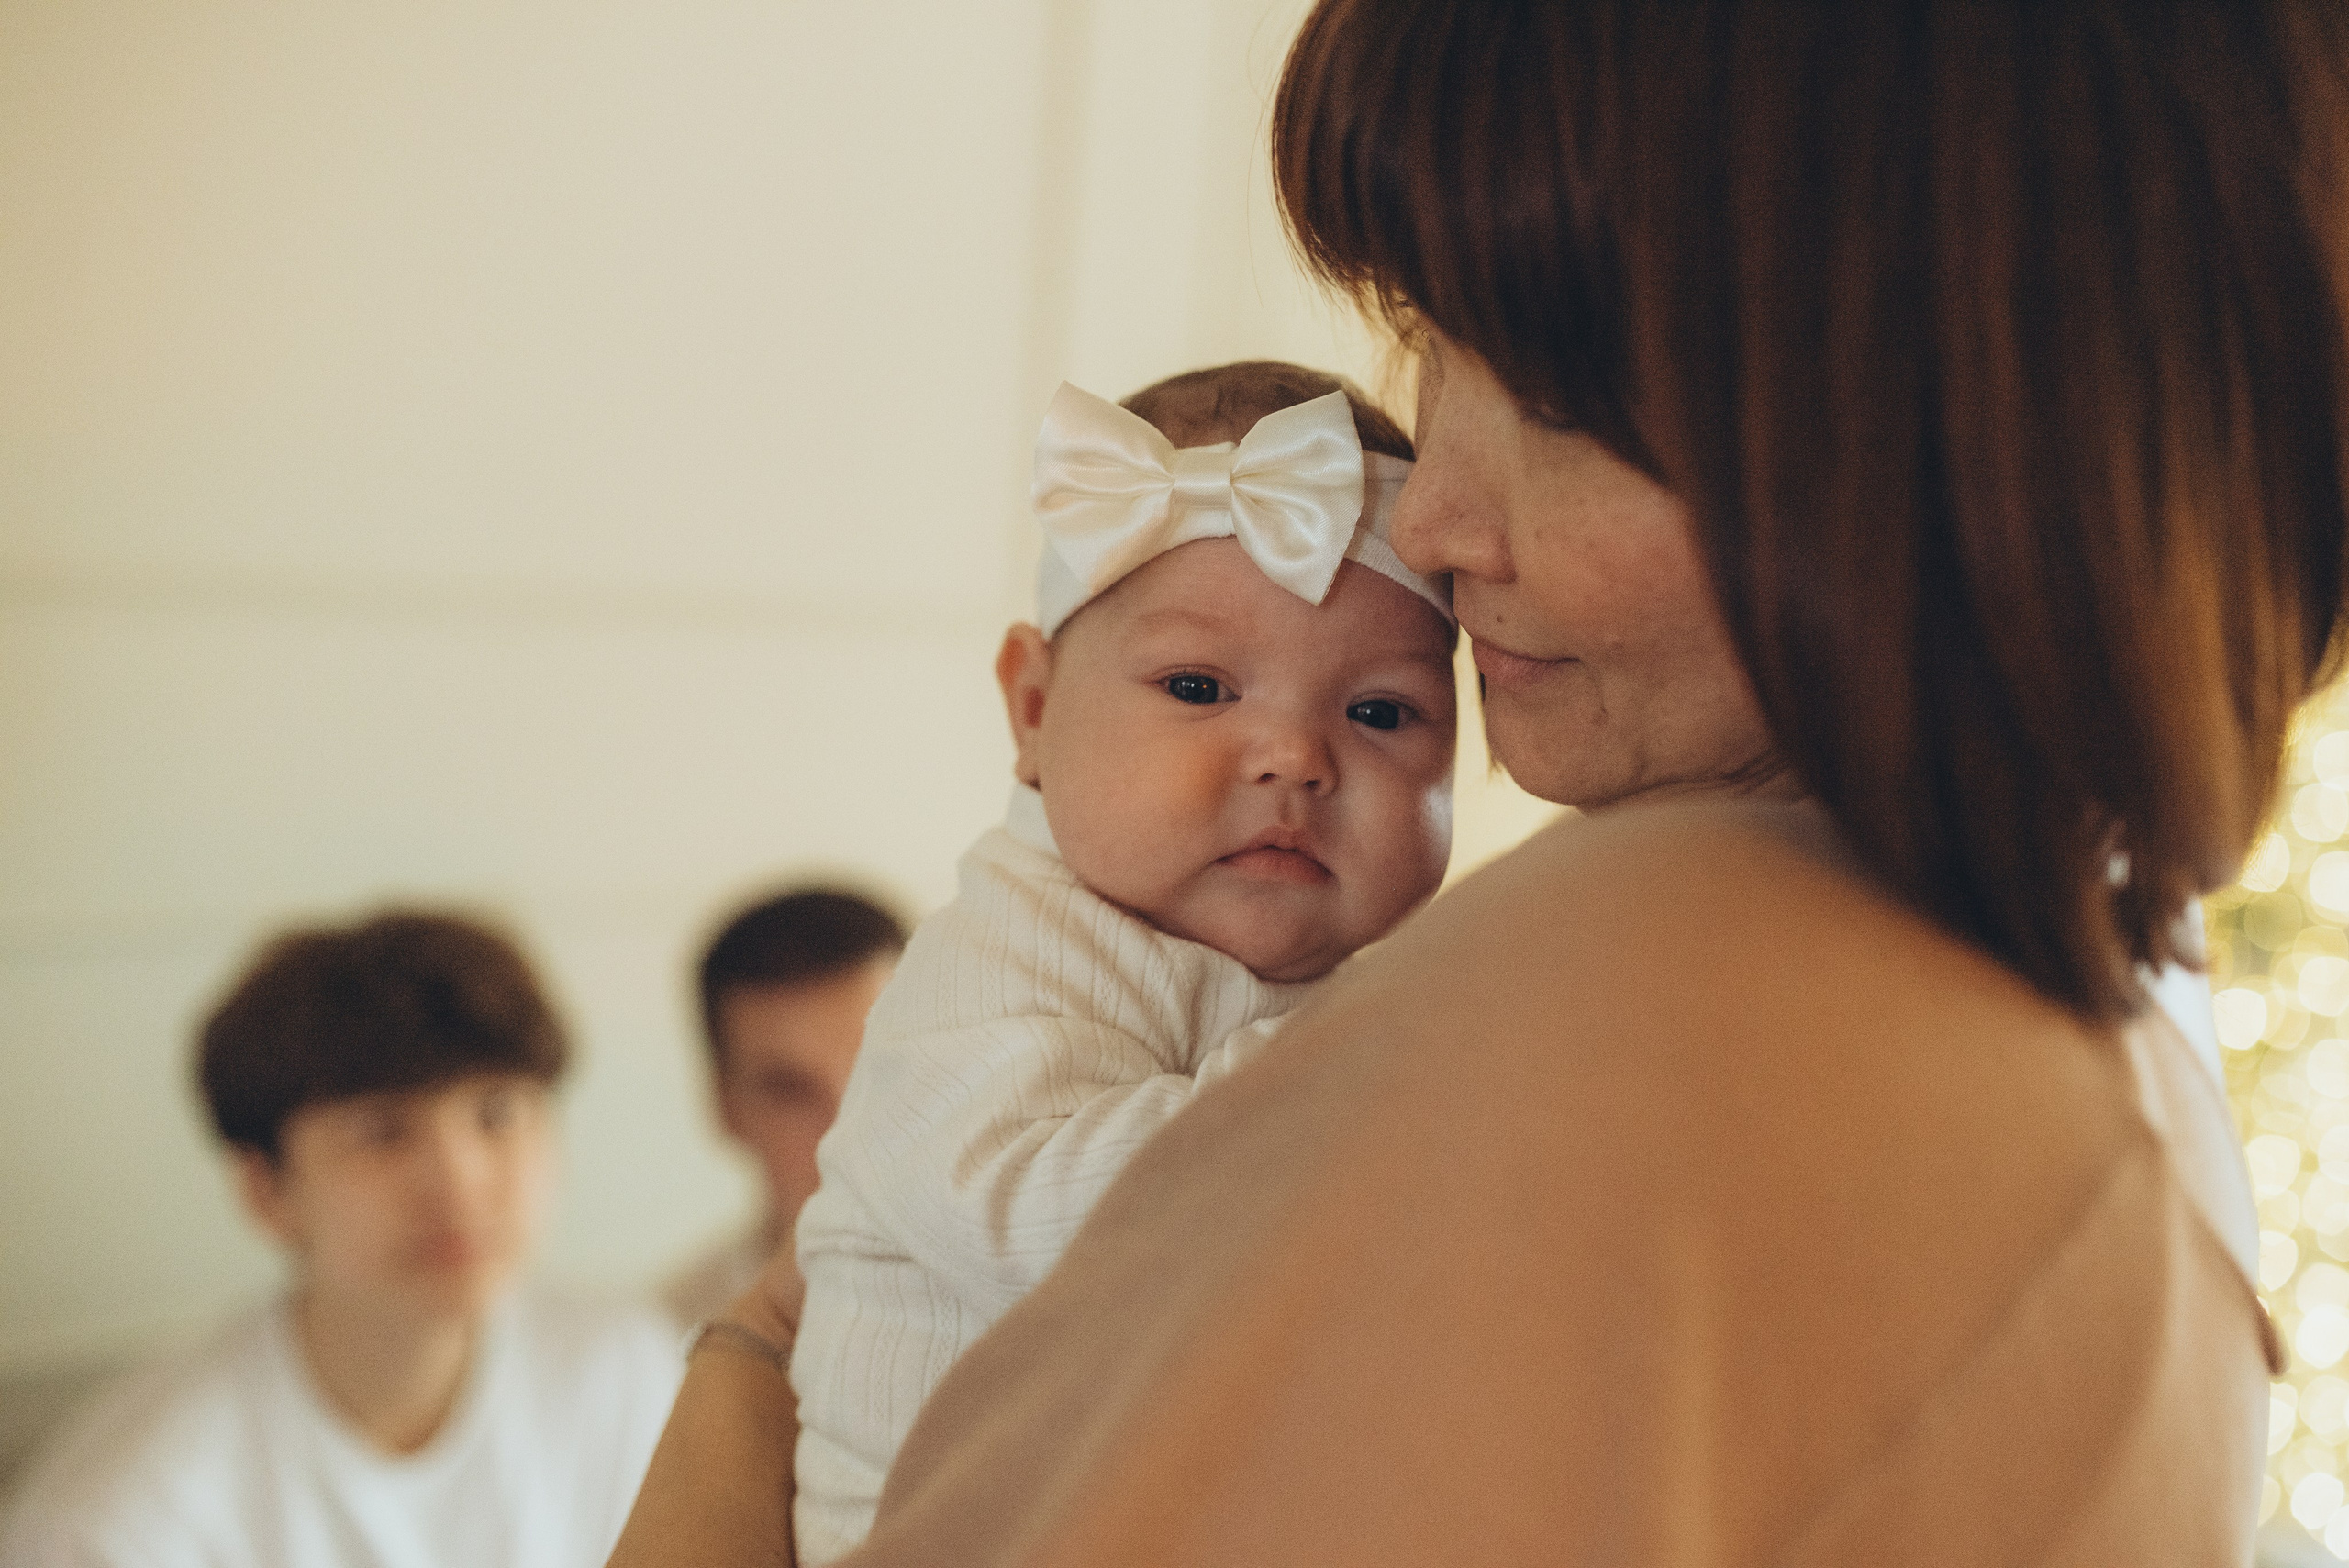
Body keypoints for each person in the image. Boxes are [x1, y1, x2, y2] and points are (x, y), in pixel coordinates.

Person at [610, 3, 2343, 1562]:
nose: (1431, 526)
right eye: (1431, 340)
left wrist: (737, 1388)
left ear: (1942, 424)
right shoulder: (2087, 994)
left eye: (1566, 395)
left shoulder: (1659, 987)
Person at [785, 361, 1458, 1562]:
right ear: (1033, 711)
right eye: (1200, 687)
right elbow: (1057, 1226)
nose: (1295, 758)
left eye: (1382, 712)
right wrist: (1382, 1056)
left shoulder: (1366, 983)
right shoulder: (995, 962)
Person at [1, 912, 682, 1568]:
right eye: (381, 1131)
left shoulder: (628, 1373)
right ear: (265, 1189)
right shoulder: (125, 1516)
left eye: (497, 1113)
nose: (460, 1183)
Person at [664, 888, 907, 1329]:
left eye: (879, 1072)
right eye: (792, 1092)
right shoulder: (666, 1343)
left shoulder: (1040, 1303)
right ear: (726, 1106)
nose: (843, 1128)